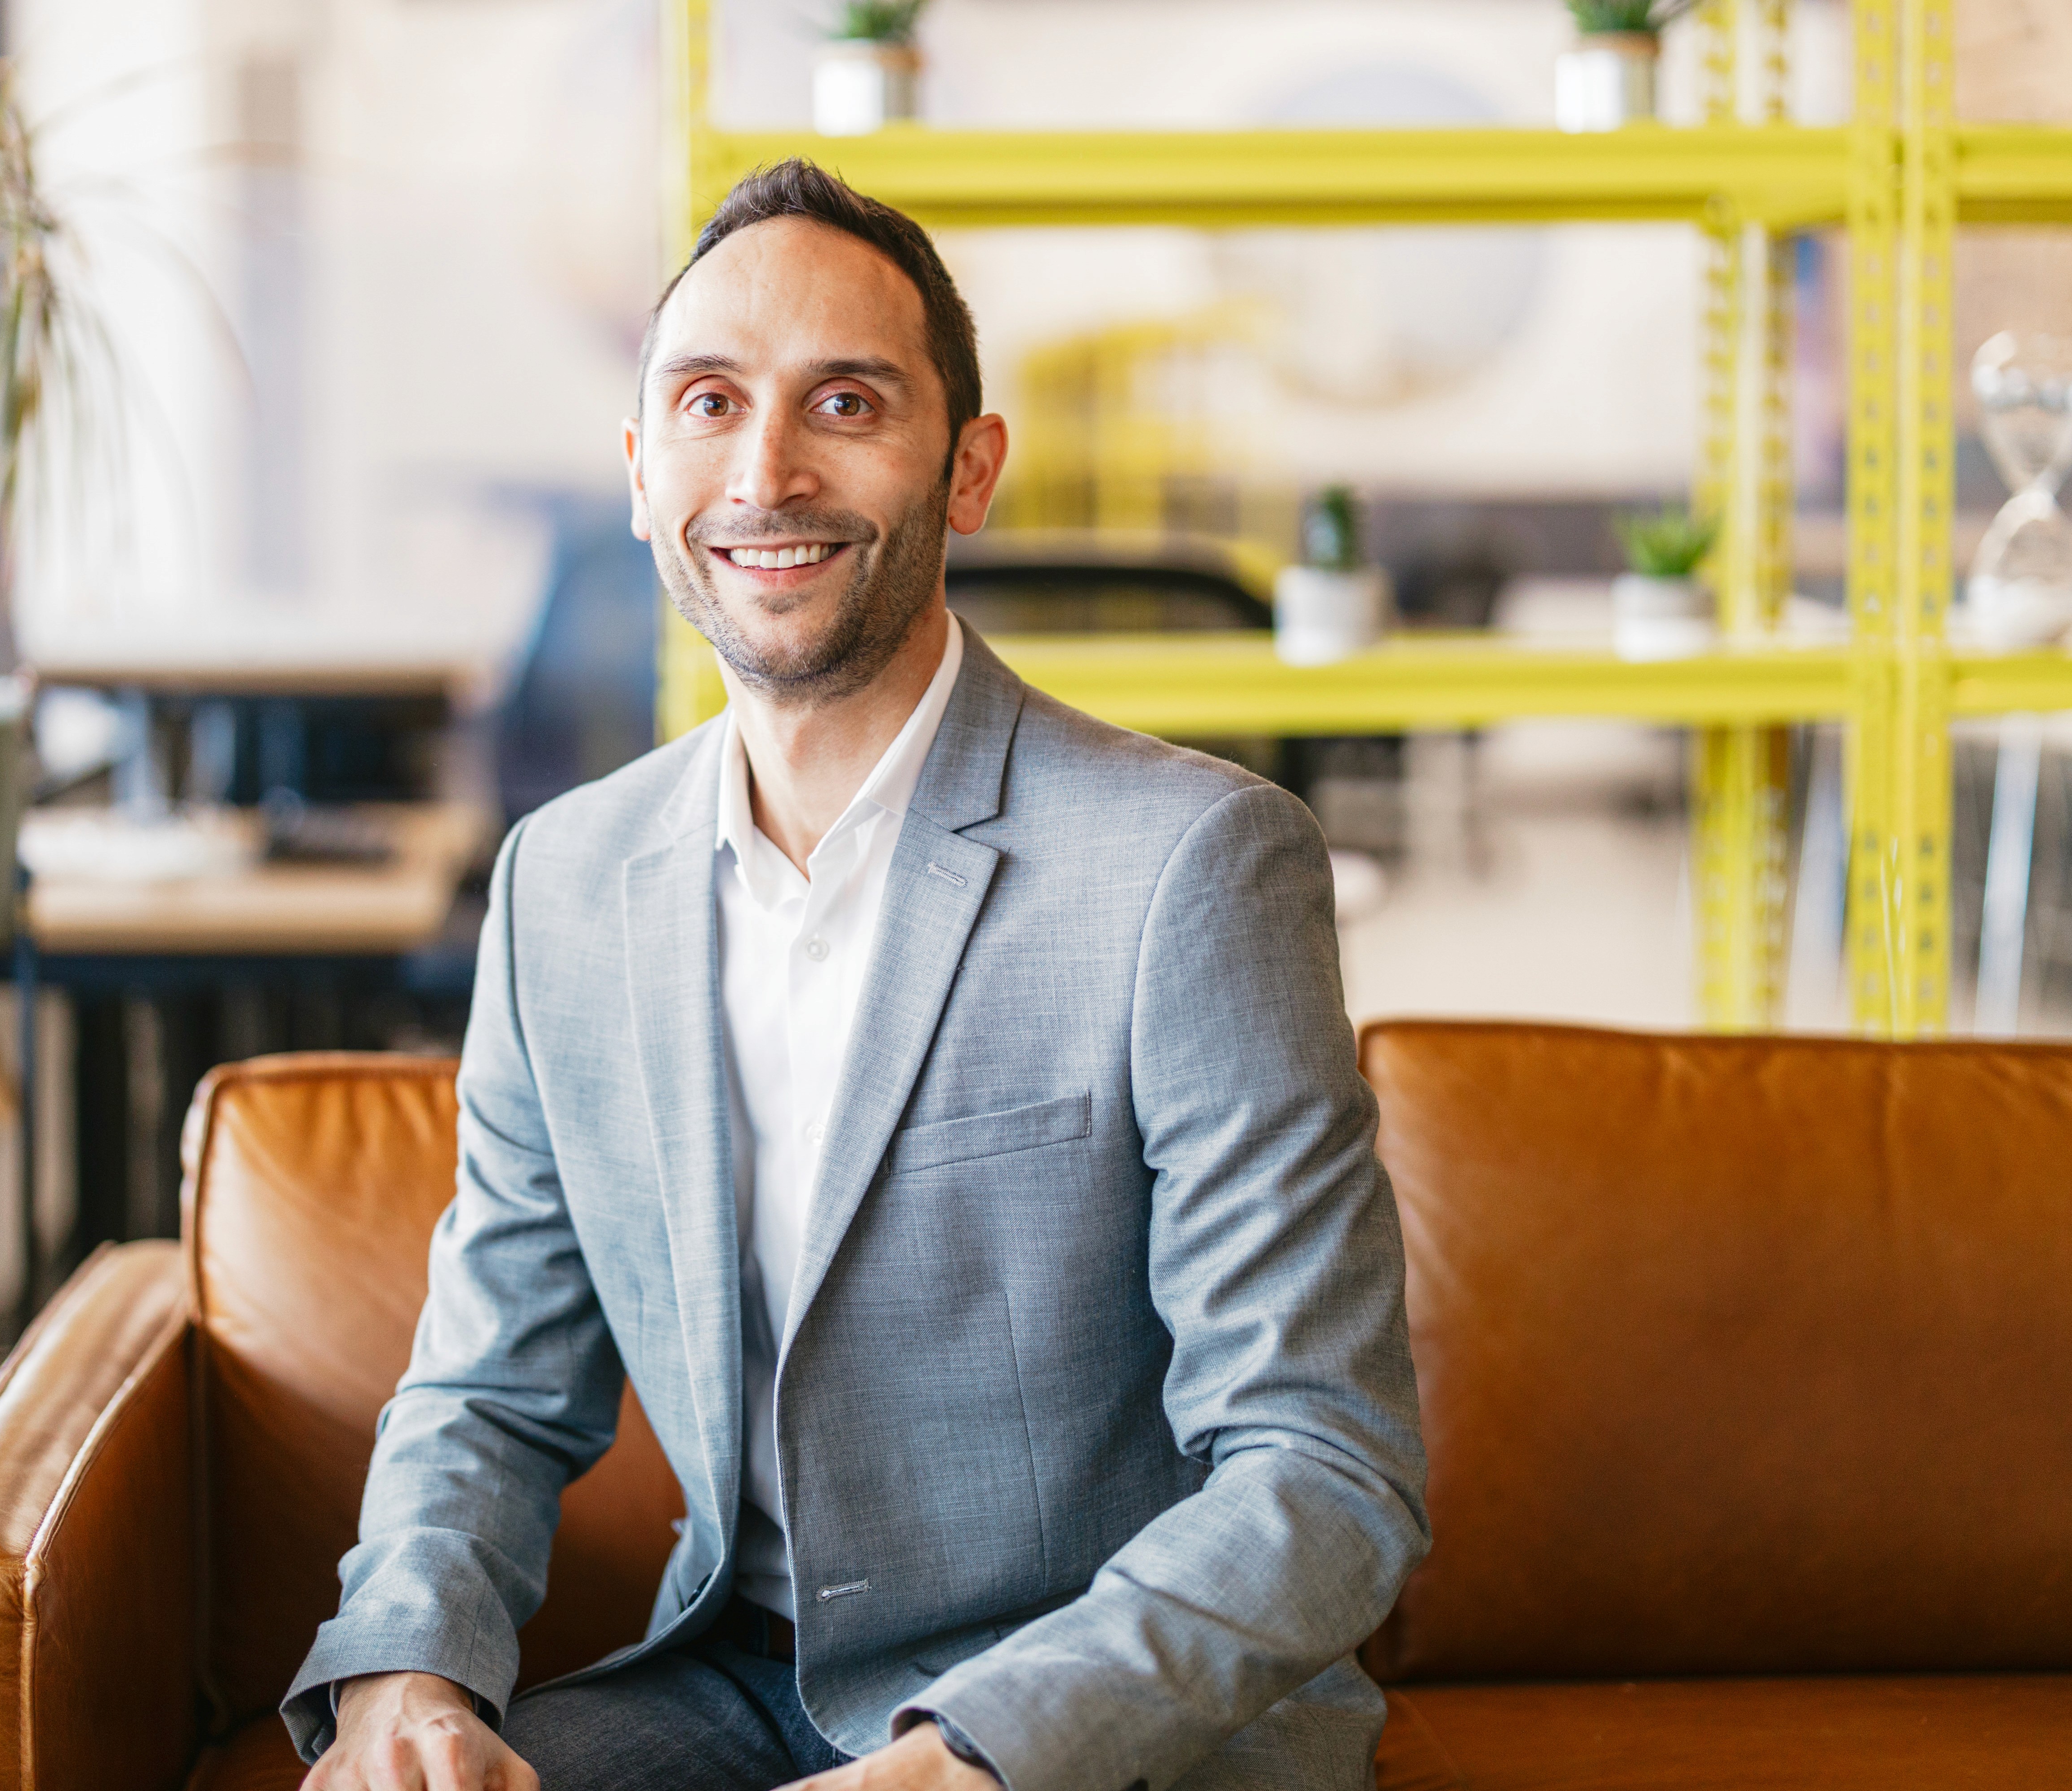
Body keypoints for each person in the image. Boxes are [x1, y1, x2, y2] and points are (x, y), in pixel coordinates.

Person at [287, 160, 1427, 1791]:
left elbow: (1323, 1467)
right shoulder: (565, 881)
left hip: (1112, 1728)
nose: (767, 471)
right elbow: (491, 1387)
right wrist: (405, 1674)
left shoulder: (1192, 864)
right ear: (640, 473)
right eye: (709, 403)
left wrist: (972, 1755)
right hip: (728, 1694)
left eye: (846, 403)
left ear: (970, 472)